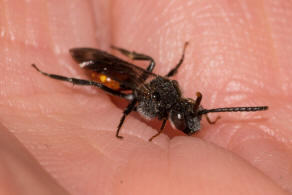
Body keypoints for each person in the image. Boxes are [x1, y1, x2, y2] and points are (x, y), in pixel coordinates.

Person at [0, 1, 290, 194]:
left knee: (149, 65)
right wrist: (125, 122)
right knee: (103, 85)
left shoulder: (173, 100)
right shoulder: (154, 100)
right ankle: (54, 76)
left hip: (130, 78)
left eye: (191, 113)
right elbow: (136, 106)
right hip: (115, 76)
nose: (190, 118)